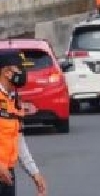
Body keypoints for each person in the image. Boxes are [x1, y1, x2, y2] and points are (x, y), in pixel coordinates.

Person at [0, 51, 47, 196]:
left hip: (6, 173)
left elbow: (18, 141)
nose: (23, 73)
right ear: (7, 72)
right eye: (20, 68)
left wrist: (35, 173)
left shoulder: (13, 100)